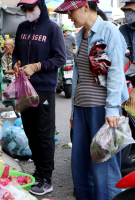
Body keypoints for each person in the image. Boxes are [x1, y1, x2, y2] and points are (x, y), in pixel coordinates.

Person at [54, 0, 129, 199]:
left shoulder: (109, 31)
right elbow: (78, 77)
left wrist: (112, 108)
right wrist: (72, 112)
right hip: (80, 108)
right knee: (80, 163)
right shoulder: (80, 35)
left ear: (86, 7)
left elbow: (114, 71)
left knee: (103, 163)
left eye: (71, 11)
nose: (69, 16)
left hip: (102, 109)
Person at [13, 0, 66, 195]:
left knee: (44, 132)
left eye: (31, 8)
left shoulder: (53, 29)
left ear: (41, 6)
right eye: (24, 8)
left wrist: (36, 66)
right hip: (23, 87)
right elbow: (17, 53)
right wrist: (16, 64)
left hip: (44, 88)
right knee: (30, 130)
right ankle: (38, 170)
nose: (28, 12)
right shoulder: (22, 27)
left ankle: (47, 178)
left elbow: (60, 58)